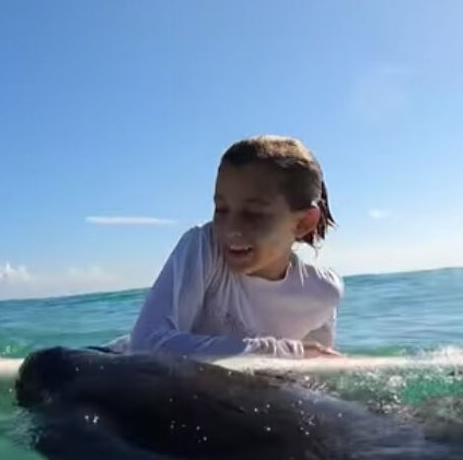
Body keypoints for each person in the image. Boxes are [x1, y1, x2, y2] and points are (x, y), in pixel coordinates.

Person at [105, 135, 344, 359]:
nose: (231, 229)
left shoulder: (323, 291)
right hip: (112, 367)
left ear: (303, 222)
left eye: (253, 214)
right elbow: (146, 344)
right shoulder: (204, 247)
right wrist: (281, 352)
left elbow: (315, 369)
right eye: (221, 209)